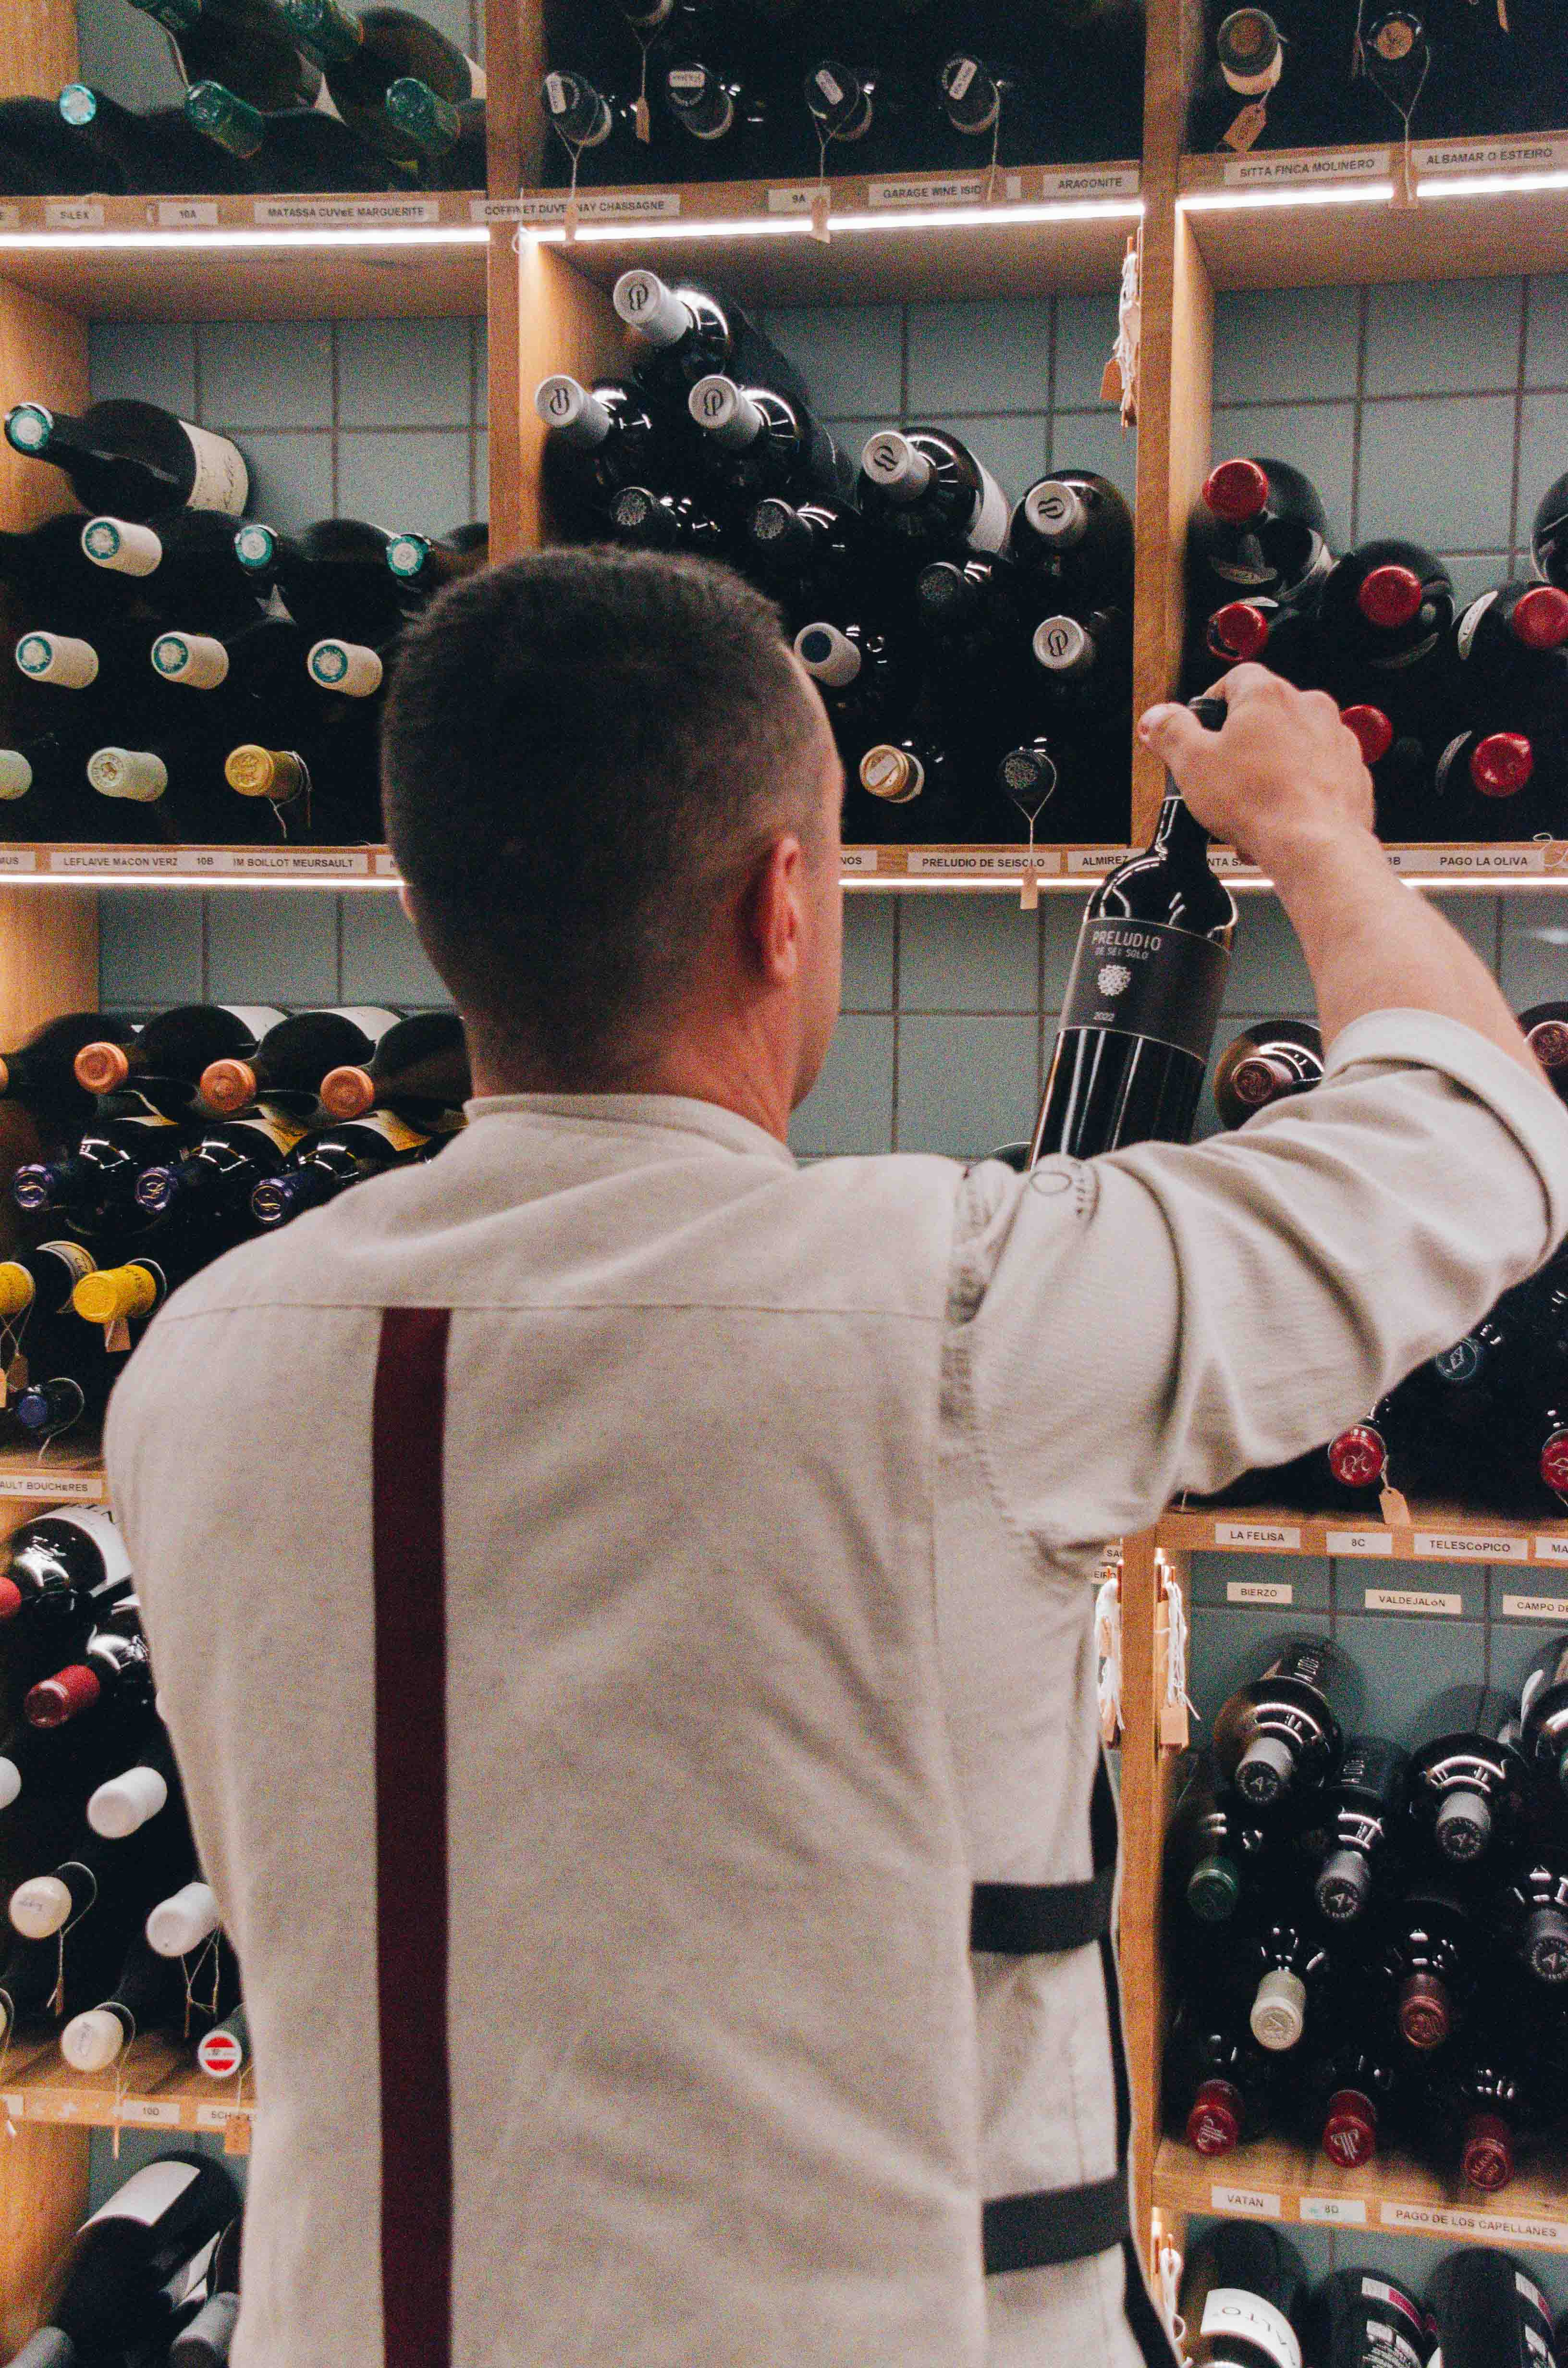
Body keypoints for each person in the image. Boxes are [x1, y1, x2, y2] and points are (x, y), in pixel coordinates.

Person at [106, 550, 1568, 2368]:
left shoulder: (198, 1364)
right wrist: (1315, 828)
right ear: (785, 902)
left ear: (427, 904)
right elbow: (1482, 1143)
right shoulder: (959, 1314)